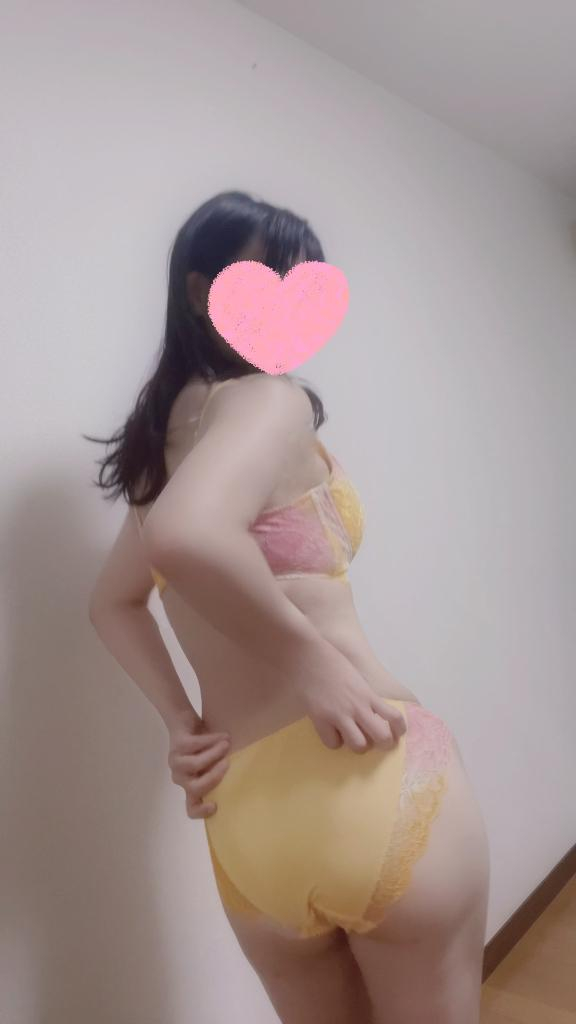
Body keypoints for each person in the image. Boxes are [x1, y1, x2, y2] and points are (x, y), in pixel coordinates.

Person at [87, 190, 490, 1024]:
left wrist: (182, 723)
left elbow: (113, 603)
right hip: (366, 772)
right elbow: (191, 537)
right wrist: (314, 666)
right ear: (201, 290)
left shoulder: (164, 453)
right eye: (267, 279)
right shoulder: (270, 397)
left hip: (246, 825)